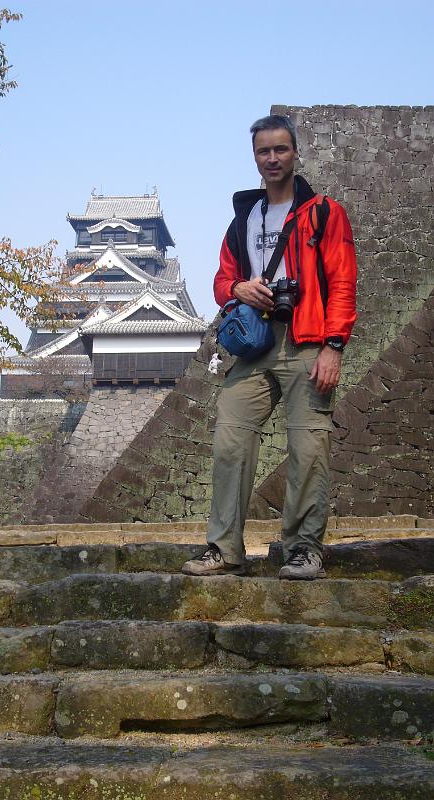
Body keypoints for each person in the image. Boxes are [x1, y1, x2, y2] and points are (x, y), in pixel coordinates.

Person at [183, 114, 357, 581]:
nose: (273, 158)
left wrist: (334, 346)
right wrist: (239, 288)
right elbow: (222, 279)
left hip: (308, 340)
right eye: (264, 151)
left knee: (308, 446)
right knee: (230, 437)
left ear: (296, 153)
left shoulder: (323, 213)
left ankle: (303, 549)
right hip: (255, 342)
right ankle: (224, 549)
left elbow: (342, 281)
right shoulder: (244, 218)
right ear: (255, 157)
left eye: (281, 149)